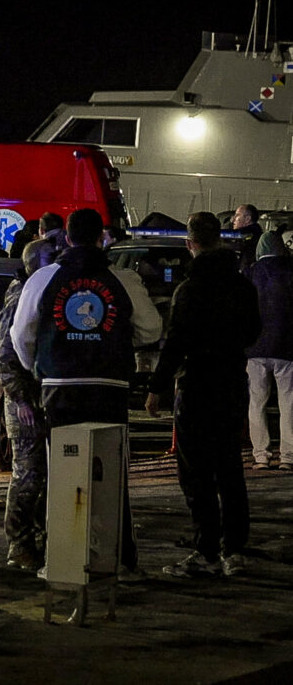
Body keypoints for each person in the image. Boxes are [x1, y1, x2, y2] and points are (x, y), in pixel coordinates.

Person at [11, 208, 162, 577]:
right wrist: (119, 341)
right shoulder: (122, 278)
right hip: (109, 386)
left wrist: (39, 366)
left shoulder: (44, 278)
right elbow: (151, 329)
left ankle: (62, 558)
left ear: (67, 238)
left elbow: (21, 334)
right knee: (110, 473)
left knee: (62, 472)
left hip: (60, 387)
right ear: (101, 238)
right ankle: (119, 558)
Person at [145, 211, 261, 578]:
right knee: (229, 467)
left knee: (196, 472)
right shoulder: (241, 285)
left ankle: (207, 548)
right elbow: (253, 331)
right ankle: (234, 549)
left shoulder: (189, 288)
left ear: (190, 243)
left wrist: (156, 387)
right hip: (231, 381)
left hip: (197, 383)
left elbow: (176, 341)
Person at [0, 240, 47, 570]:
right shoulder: (21, 295)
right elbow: (5, 355)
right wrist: (21, 399)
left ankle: (36, 539)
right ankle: (19, 544)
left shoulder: (32, 290)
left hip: (33, 395)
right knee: (28, 474)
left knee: (40, 474)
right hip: (24, 400)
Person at [242, 231, 293, 471]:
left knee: (256, 402)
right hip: (287, 347)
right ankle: (288, 456)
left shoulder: (249, 273)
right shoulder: (290, 272)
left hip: (255, 348)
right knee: (288, 402)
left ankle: (261, 455)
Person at [231, 203, 262, 272]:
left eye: (237, 215)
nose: (233, 220)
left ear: (247, 219)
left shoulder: (250, 234)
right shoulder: (254, 233)